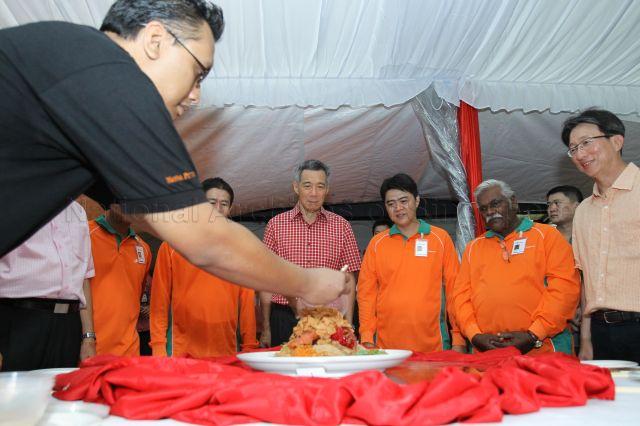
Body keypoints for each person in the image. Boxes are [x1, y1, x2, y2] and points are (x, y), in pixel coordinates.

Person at [0, 1, 347, 309]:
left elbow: (146, 215)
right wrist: (308, 282)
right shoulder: (111, 74)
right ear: (155, 40)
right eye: (198, 73)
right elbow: (204, 239)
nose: (196, 96)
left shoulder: (81, 71)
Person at [454, 179, 580, 354]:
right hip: (489, 352)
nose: (490, 211)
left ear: (513, 201)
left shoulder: (547, 236)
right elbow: (460, 298)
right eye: (483, 208)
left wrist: (534, 334)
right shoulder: (473, 248)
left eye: (495, 203)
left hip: (543, 349)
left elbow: (565, 290)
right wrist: (474, 335)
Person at [562, 109, 640, 363]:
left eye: (586, 143)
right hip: (601, 332)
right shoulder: (583, 211)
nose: (580, 154)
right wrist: (585, 340)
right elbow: (587, 279)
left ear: (617, 141)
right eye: (573, 149)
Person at [151, 178, 259, 357]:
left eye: (224, 204)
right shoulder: (172, 245)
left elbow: (247, 304)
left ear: (230, 210)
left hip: (226, 351)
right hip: (181, 351)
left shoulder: (241, 249)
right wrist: (157, 346)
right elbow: (159, 301)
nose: (218, 209)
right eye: (211, 203)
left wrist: (249, 347)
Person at [259, 160, 361, 347]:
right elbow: (266, 281)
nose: (314, 193)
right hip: (283, 317)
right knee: (284, 374)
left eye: (320, 186)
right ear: (296, 187)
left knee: (327, 372)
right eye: (307, 186)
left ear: (327, 189)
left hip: (328, 319)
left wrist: (347, 324)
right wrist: (265, 327)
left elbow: (349, 280)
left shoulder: (342, 226)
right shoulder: (275, 226)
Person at [357, 174, 463, 353]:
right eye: (391, 204)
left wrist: (458, 338)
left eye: (404, 201)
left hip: (434, 344)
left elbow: (454, 290)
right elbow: (366, 294)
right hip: (386, 348)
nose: (398, 208)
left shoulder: (440, 239)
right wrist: (367, 338)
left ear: (417, 201)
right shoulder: (377, 244)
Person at [0, 201, 96, 371]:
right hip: (19, 320)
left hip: (68, 326)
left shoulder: (78, 211)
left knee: (60, 393)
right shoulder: (10, 199)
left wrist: (88, 337)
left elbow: (84, 277)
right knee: (13, 394)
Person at [88, 205, 152, 356]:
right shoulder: (84, 234)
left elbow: (136, 297)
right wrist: (87, 339)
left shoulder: (144, 248)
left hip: (129, 351)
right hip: (89, 347)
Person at [546, 185, 584, 354]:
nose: (551, 208)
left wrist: (583, 306)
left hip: (588, 314)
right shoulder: (543, 238)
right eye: (549, 204)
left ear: (577, 206)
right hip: (553, 315)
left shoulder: (590, 235)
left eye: (557, 203)